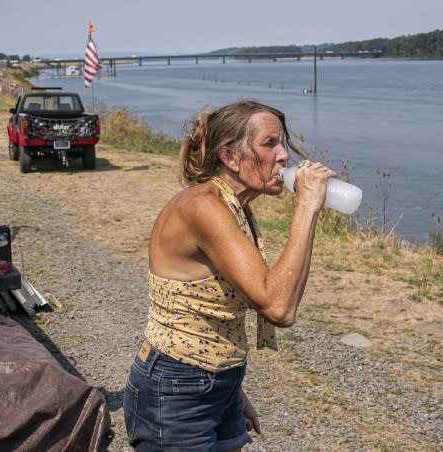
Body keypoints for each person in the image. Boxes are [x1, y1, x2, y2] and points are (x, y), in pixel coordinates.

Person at [123, 100, 337, 451]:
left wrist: (232, 392)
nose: (284, 155)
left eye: (283, 143)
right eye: (270, 144)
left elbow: (208, 312)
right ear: (231, 158)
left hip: (217, 381)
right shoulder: (204, 207)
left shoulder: (233, 206)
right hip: (178, 388)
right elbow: (278, 307)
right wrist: (307, 207)